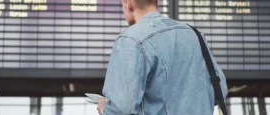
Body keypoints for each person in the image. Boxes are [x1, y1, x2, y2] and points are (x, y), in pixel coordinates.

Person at [97, 0, 228, 114]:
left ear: (129, 3)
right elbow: (220, 91)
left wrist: (105, 110)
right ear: (157, 2)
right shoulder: (196, 35)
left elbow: (122, 109)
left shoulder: (130, 39)